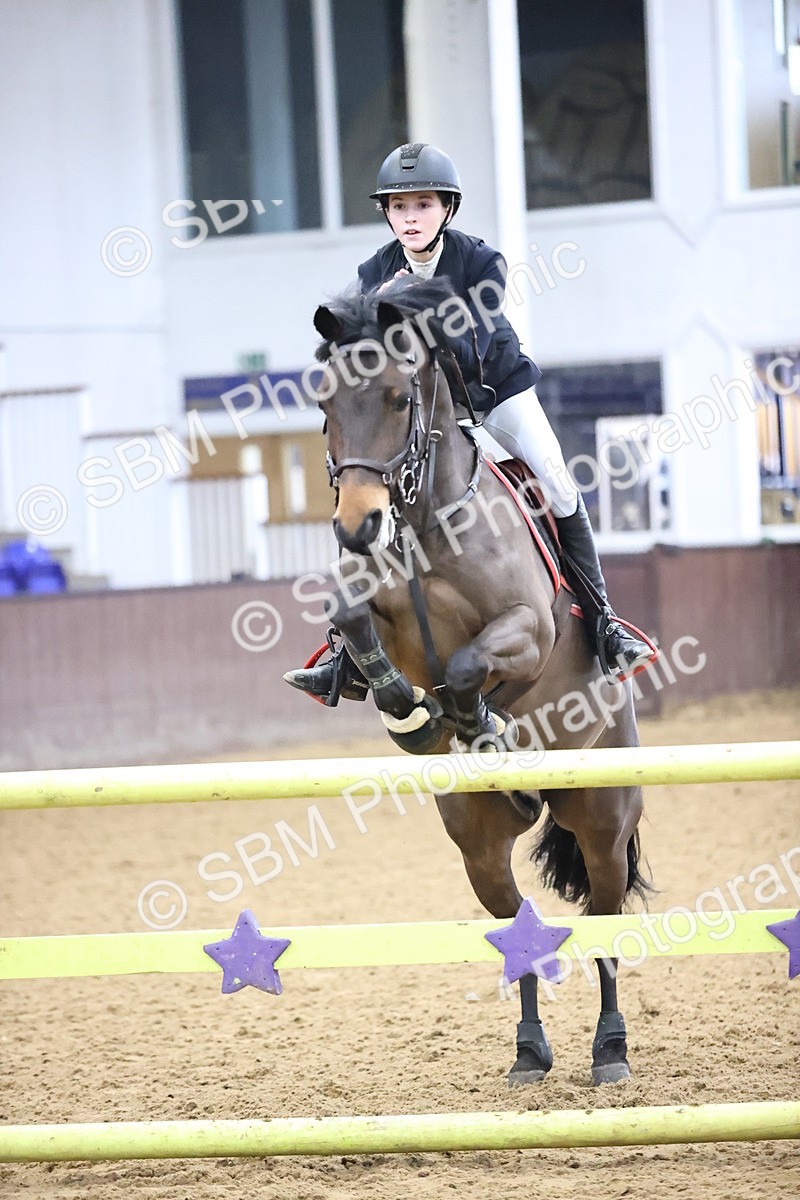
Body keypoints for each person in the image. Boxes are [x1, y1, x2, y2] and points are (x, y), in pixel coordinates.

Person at [285, 142, 652, 702]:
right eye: (399, 206)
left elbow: (464, 337)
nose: (410, 217)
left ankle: (604, 622)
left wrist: (405, 301)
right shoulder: (373, 271)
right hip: (430, 415)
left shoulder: (480, 263)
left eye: (423, 204)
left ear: (447, 209)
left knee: (557, 482)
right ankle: (347, 650)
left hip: (497, 397)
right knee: (371, 492)